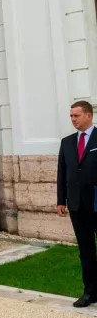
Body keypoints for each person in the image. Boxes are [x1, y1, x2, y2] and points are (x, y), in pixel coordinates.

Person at [57, 100, 97, 307]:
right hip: (76, 205)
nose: (73, 119)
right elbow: (62, 173)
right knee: (86, 250)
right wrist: (60, 200)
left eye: (76, 116)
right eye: (71, 116)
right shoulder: (67, 142)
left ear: (89, 115)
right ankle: (90, 292)